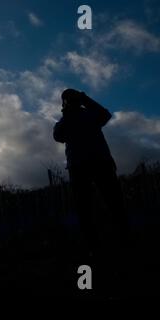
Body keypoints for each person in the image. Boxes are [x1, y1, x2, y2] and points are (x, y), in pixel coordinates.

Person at [53, 89, 128, 257]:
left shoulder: (87, 115)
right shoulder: (77, 117)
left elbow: (105, 115)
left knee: (109, 203)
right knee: (93, 206)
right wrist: (77, 106)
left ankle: (114, 241)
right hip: (88, 165)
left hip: (92, 164)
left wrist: (82, 102)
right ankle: (101, 244)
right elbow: (58, 136)